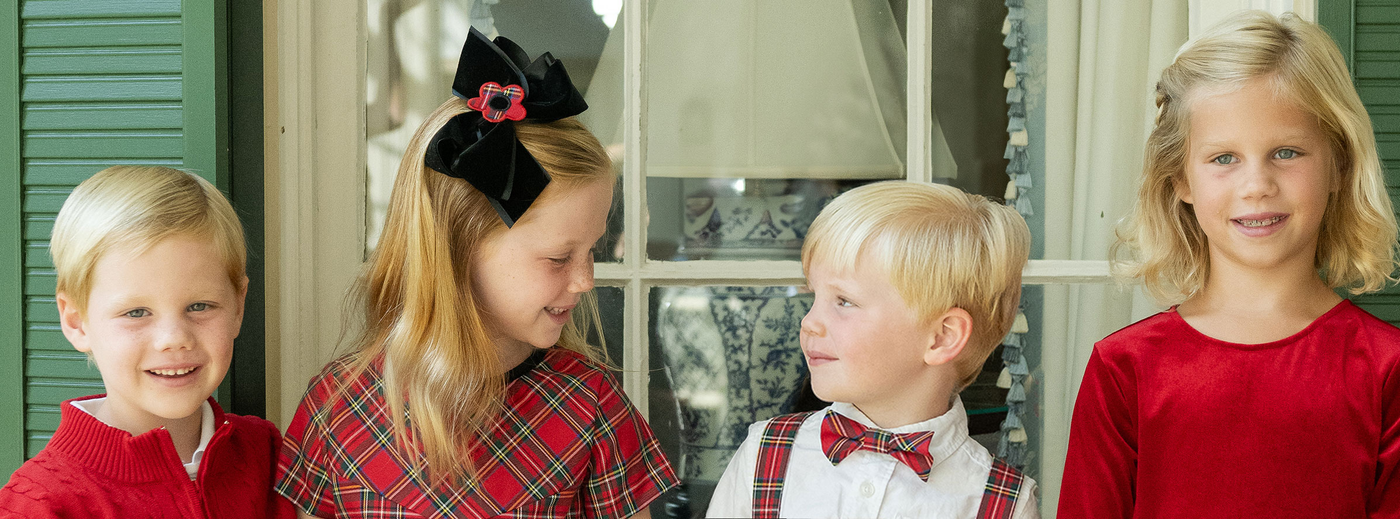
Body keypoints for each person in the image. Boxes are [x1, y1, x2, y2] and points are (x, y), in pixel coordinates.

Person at [275, 27, 677, 518]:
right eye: (558, 258)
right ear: (458, 248)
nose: (585, 281)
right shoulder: (337, 407)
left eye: (592, 251)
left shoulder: (591, 408)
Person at [1058, 11, 1400, 517]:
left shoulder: (1386, 368)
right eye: (1223, 158)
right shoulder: (1124, 369)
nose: (1257, 184)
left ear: (1339, 166)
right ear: (1180, 180)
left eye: (1286, 152)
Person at [706, 181, 1038, 518]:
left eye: (844, 301)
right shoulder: (763, 456)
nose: (809, 322)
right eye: (813, 296)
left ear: (941, 337)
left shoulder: (1005, 506)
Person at [0, 166, 294, 518]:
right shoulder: (40, 504)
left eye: (199, 306)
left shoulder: (268, 454)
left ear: (238, 307)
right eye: (136, 312)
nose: (174, 339)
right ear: (76, 321)